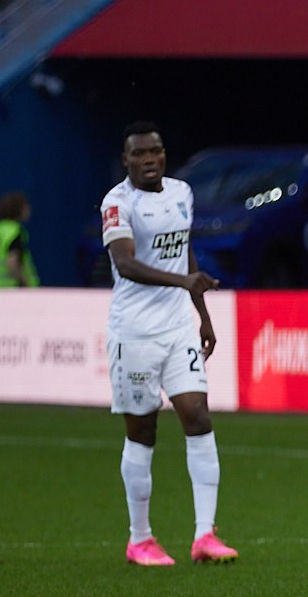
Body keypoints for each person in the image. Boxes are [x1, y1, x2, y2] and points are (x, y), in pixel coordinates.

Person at [97, 124, 236, 567]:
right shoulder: (118, 203)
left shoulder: (181, 192)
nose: (150, 159)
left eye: (156, 151)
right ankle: (140, 539)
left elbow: (184, 250)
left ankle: (204, 535)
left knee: (197, 415)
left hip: (178, 329)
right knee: (143, 431)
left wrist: (203, 314)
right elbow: (125, 263)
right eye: (140, 154)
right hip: (134, 333)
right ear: (127, 160)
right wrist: (183, 281)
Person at [0, 190, 38, 286]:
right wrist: (24, 283)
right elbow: (12, 262)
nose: (29, 210)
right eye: (26, 208)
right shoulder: (14, 232)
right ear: (18, 210)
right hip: (11, 291)